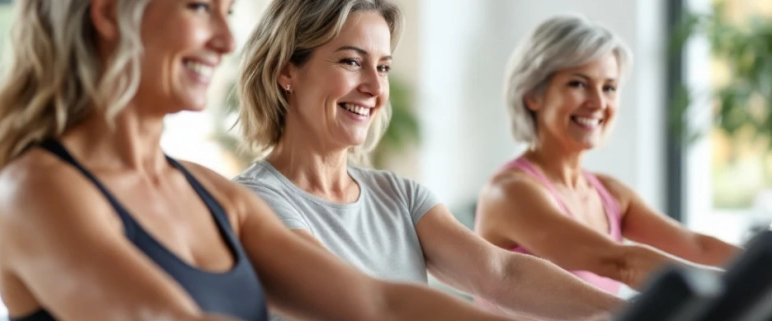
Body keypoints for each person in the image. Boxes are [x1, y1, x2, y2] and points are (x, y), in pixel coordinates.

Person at [0, 1, 535, 320]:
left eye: (226, 13)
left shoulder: (212, 195)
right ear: (108, 14)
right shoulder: (36, 191)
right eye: (199, 8)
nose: (225, 42)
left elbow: (376, 301)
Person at [233, 1, 624, 320]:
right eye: (352, 62)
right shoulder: (255, 203)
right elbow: (372, 305)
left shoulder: (399, 196)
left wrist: (629, 311)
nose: (373, 87)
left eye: (383, 67)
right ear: (288, 71)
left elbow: (501, 274)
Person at [473, 14, 740, 297]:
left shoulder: (610, 194)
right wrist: (740, 285)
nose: (598, 102)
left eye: (609, 87)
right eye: (578, 84)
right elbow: (621, 262)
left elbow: (698, 247)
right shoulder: (509, 193)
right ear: (533, 95)